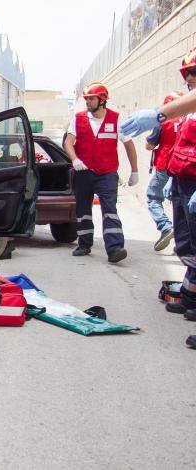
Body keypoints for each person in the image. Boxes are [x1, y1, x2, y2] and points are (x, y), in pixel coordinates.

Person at [123, 47, 196, 349]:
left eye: (194, 72)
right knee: (187, 242)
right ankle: (191, 296)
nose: (190, 78)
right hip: (183, 177)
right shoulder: (188, 108)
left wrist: (160, 114)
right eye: (188, 73)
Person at [63, 81, 139, 263]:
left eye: (91, 99)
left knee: (110, 210)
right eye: (86, 99)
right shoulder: (79, 118)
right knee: (83, 210)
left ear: (102, 100)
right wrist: (75, 159)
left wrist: (134, 171)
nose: (87, 102)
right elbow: (68, 142)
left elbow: (128, 144)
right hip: (83, 173)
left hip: (107, 174)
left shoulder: (117, 119)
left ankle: (115, 249)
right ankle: (84, 244)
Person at [145, 91, 183, 251]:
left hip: (165, 165)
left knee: (153, 197)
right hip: (183, 167)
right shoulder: (187, 119)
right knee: (181, 204)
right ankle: (183, 241)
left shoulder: (163, 121)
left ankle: (165, 226)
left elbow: (150, 145)